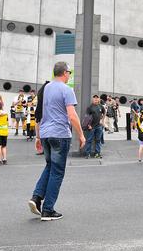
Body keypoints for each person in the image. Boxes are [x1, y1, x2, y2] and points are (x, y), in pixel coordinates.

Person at [28, 62, 85, 221]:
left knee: (49, 166)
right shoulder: (66, 90)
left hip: (45, 134)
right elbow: (72, 116)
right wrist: (81, 135)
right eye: (69, 73)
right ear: (65, 73)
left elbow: (38, 112)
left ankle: (37, 197)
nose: (70, 76)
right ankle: (48, 210)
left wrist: (38, 136)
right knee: (57, 171)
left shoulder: (45, 89)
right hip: (60, 134)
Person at [82, 94, 105, 159]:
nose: (96, 99)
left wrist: (102, 120)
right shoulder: (90, 107)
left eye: (97, 98)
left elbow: (104, 112)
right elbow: (87, 117)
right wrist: (89, 125)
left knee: (98, 140)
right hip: (91, 127)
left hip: (99, 126)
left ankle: (97, 153)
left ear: (99, 99)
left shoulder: (101, 106)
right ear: (92, 99)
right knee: (89, 140)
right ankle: (87, 154)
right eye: (94, 98)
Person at [0, 97, 9, 164]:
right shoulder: (6, 114)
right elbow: (7, 122)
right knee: (4, 146)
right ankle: (4, 159)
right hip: (4, 132)